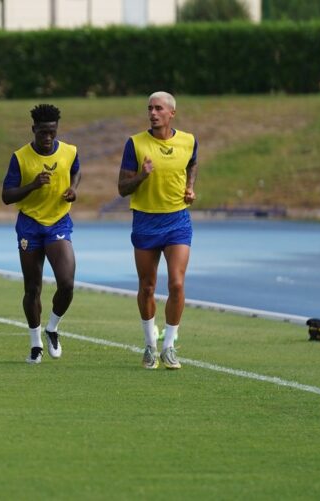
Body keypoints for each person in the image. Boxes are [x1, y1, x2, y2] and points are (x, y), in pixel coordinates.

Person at [117, 91, 199, 370]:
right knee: (148, 286)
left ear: (171, 113)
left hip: (177, 221)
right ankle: (150, 345)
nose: (152, 113)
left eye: (158, 108)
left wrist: (190, 187)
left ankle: (169, 346)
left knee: (176, 283)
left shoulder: (188, 140)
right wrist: (142, 175)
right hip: (145, 221)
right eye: (149, 108)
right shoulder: (135, 144)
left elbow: (192, 163)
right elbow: (122, 188)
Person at [2, 104, 81, 365]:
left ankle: (53, 328)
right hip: (30, 225)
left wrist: (72, 188)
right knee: (32, 287)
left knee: (67, 283)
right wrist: (33, 185)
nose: (47, 138)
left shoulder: (69, 151)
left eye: (52, 133)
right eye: (42, 133)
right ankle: (35, 343)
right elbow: (6, 195)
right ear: (33, 129)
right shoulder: (21, 157)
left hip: (58, 223)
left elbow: (75, 171)